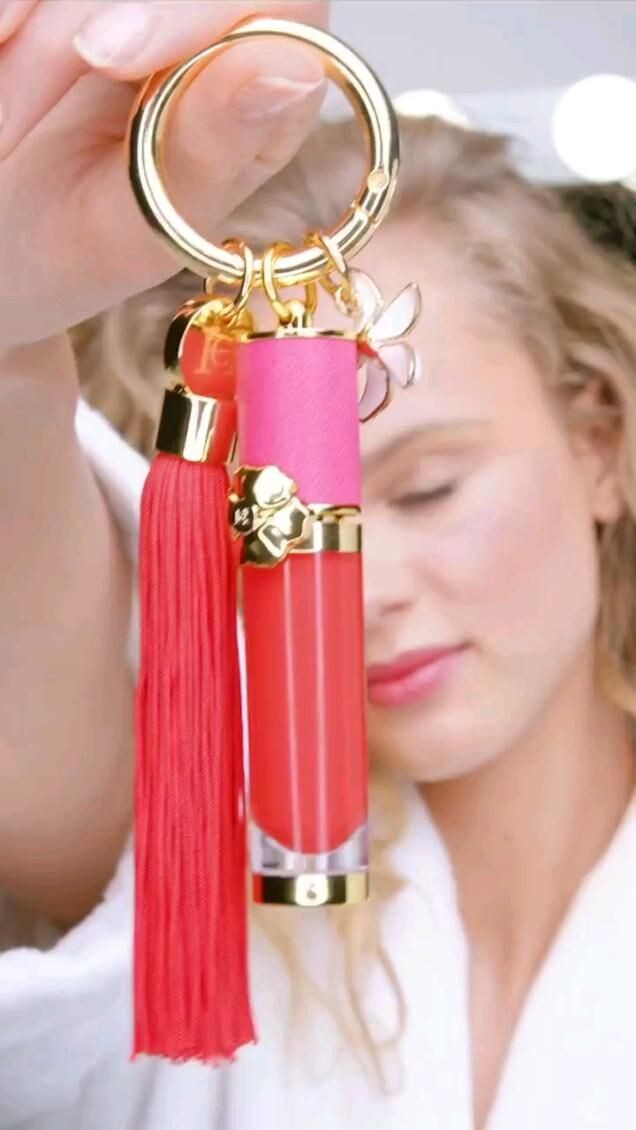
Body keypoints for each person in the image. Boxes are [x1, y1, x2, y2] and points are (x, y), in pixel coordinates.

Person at [2, 3, 636, 1129]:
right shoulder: (201, 861)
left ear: (597, 438)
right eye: (264, 530)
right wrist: (16, 323)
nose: (363, 591)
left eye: (431, 488)